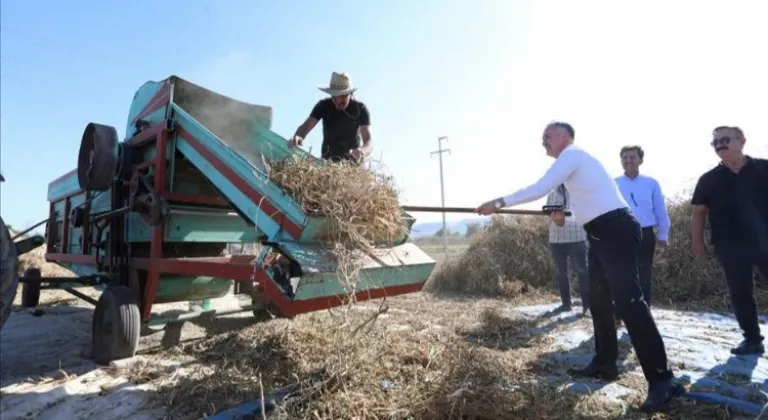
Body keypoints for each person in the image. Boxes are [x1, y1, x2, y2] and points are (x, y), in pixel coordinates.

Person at [475, 121, 684, 413]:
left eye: (546, 137)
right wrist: (564, 219)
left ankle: (663, 381)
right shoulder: (577, 170)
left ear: (564, 136)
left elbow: (540, 187)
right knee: (598, 301)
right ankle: (605, 362)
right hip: (600, 231)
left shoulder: (572, 155)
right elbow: (589, 211)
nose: (543, 143)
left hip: (617, 229)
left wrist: (499, 202)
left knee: (630, 303)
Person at [690, 125, 768, 356]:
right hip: (730, 245)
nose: (720, 145)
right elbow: (699, 213)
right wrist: (698, 242)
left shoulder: (764, 168)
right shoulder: (709, 179)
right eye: (715, 142)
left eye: (725, 139)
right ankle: (752, 339)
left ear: (742, 141)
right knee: (740, 292)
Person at [614, 145, 671, 308]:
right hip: (621, 234)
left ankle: (644, 312)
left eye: (632, 157)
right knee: (621, 275)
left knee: (643, 274)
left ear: (640, 160)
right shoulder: (613, 184)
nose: (628, 161)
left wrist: (663, 235)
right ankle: (621, 313)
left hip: (645, 234)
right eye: (624, 157)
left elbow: (660, 210)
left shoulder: (651, 183)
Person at [288, 71, 373, 164]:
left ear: (350, 94)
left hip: (351, 167)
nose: (338, 101)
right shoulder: (323, 106)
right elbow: (305, 127)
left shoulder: (360, 109)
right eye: (335, 97)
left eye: (343, 96)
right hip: (327, 164)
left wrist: (363, 151)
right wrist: (298, 136)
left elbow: (368, 141)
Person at [545, 184, 590, 315]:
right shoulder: (551, 193)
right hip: (555, 239)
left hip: (576, 237)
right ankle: (566, 304)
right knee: (561, 273)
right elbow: (549, 216)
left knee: (583, 272)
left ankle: (587, 306)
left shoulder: (579, 191)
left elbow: (583, 214)